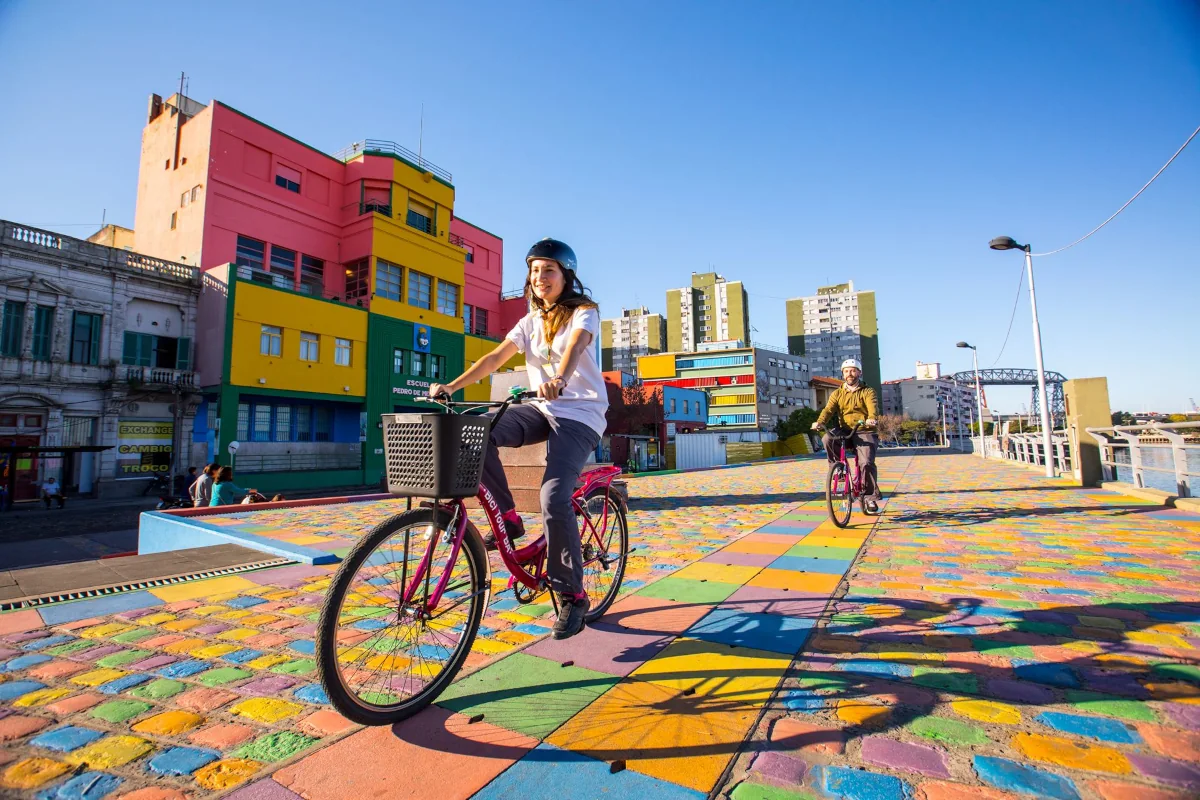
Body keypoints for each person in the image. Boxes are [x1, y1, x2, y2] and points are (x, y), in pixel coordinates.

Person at [429, 237, 608, 640]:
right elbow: (493, 358)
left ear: (566, 276)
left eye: (549, 270)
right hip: (541, 408)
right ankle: (508, 519)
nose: (539, 277)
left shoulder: (584, 312)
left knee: (553, 497)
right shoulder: (529, 322)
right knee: (476, 433)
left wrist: (560, 378)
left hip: (579, 414)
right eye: (534, 270)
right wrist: (452, 387)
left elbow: (577, 346)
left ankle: (573, 594)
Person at [812, 358, 882, 513]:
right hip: (844, 429)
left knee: (866, 463)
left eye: (853, 370)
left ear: (859, 372)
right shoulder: (838, 393)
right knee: (827, 438)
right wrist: (819, 422)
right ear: (842, 374)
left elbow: (873, 407)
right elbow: (828, 410)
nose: (849, 374)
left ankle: (869, 497)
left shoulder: (867, 391)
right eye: (846, 371)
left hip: (864, 430)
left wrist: (872, 419)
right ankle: (838, 468)